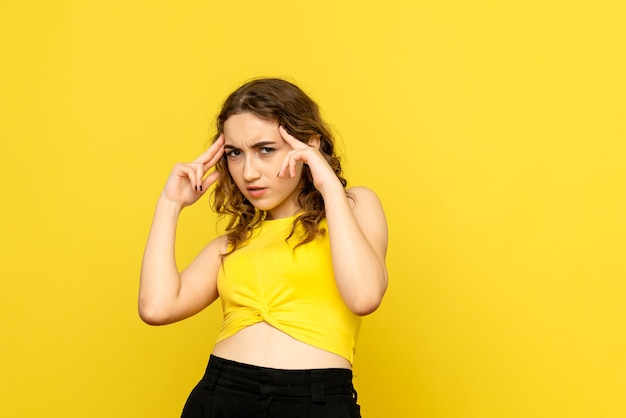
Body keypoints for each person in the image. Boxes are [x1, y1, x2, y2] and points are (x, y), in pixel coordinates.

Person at [139, 77, 388, 417]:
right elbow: (156, 309)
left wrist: (326, 182)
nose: (249, 172)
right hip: (220, 395)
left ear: (308, 145)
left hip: (314, 401)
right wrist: (169, 204)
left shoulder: (354, 206)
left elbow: (364, 297)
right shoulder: (233, 242)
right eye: (235, 154)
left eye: (265, 149)